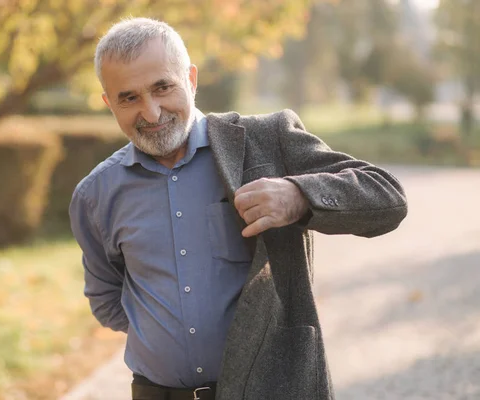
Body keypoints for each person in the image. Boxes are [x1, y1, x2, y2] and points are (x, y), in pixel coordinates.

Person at [69, 17, 408, 400]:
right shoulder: (95, 194)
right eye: (128, 97)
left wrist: (299, 195)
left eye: (162, 87)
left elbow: (388, 197)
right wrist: (164, 339)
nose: (150, 113)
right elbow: (107, 298)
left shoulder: (265, 140)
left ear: (191, 79)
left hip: (272, 389)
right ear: (107, 102)